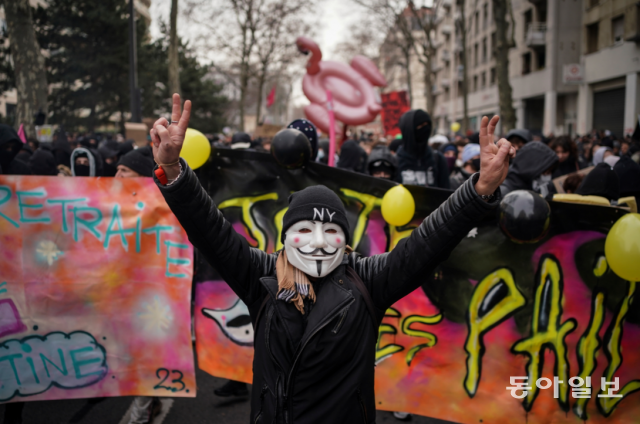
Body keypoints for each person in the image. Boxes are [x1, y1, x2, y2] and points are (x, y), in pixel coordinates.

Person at [149, 94, 514, 423]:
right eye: (305, 231)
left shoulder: (367, 280)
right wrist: (175, 173)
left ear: (345, 239)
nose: (318, 243)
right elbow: (211, 231)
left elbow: (427, 243)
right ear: (286, 237)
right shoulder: (262, 276)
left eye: (330, 232)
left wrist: (478, 190)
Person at [114, 146, 164, 424]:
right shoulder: (109, 202)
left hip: (151, 295)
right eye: (117, 169)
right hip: (120, 292)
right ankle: (150, 400)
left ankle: (139, 415)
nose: (116, 175)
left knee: (147, 352)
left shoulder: (160, 208)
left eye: (124, 171)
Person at [396, 110, 450, 188]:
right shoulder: (395, 161)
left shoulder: (438, 159)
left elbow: (446, 191)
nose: (425, 128)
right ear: (409, 129)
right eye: (421, 125)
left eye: (427, 124)